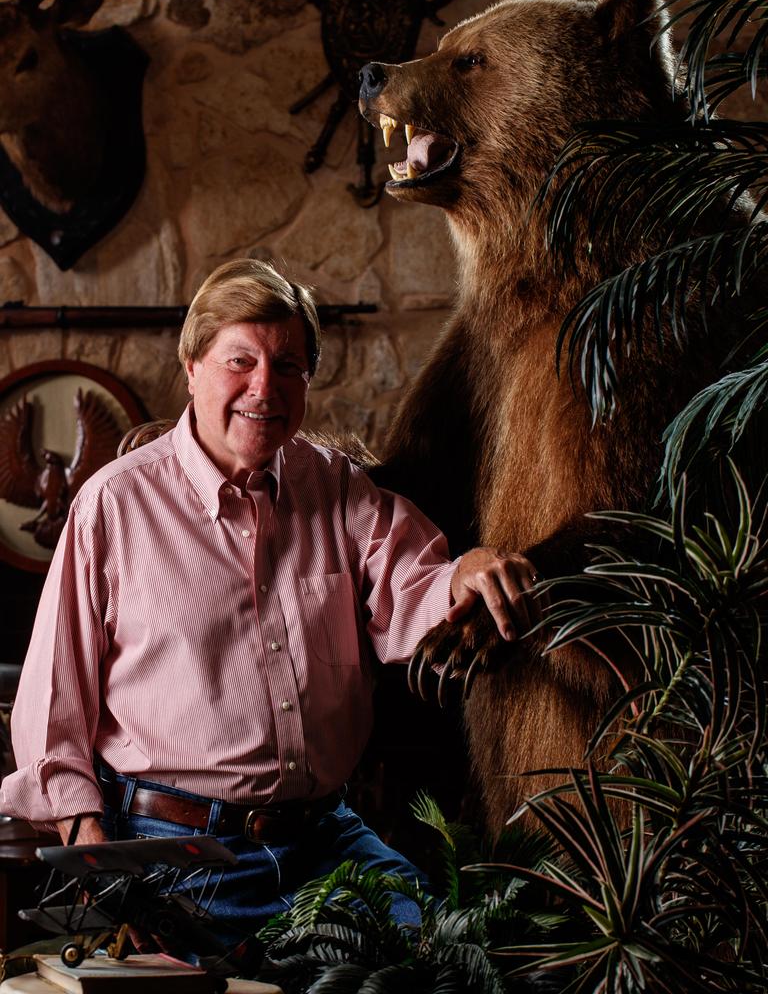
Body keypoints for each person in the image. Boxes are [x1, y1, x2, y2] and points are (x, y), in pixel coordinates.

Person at [1, 259, 539, 940]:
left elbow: (418, 584)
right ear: (192, 366)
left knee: (453, 954)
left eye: (288, 367)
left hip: (326, 842)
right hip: (176, 855)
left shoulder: (336, 486)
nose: (265, 388)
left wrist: (466, 574)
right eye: (241, 361)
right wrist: (102, 863)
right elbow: (52, 713)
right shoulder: (113, 505)